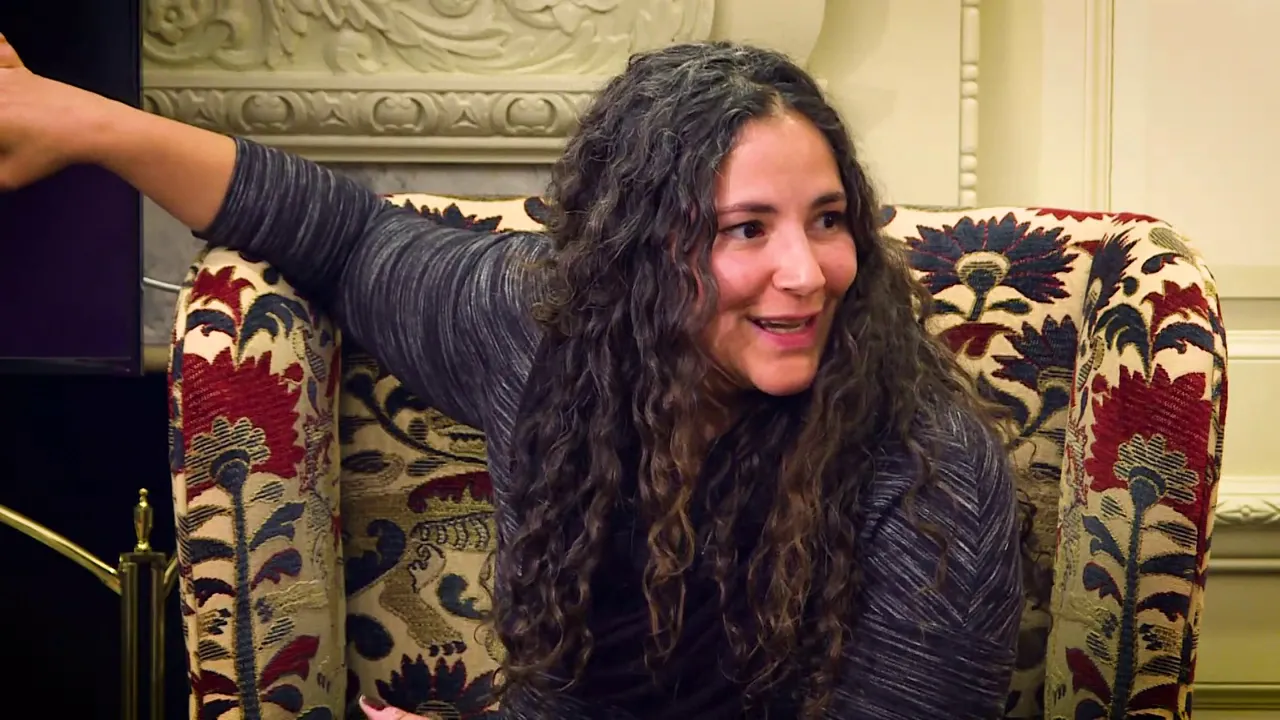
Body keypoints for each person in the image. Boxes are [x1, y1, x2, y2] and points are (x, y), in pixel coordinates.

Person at [0, 34, 1028, 720]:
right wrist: (84, 125)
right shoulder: (543, 341)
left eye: (827, 219)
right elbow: (347, 238)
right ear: (635, 255)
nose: (806, 273)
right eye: (744, 229)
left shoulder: (933, 485)